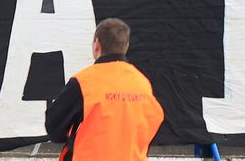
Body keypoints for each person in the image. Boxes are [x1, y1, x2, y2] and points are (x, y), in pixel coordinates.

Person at [45, 19, 165, 157]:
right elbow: (154, 119)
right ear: (126, 46)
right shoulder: (141, 83)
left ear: (97, 45)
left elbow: (54, 128)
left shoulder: (83, 82)